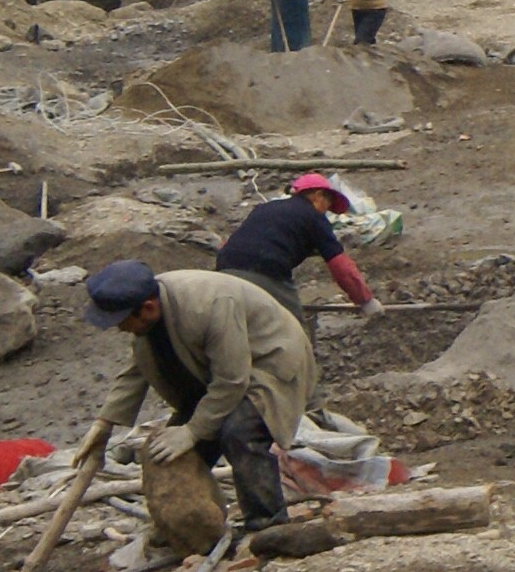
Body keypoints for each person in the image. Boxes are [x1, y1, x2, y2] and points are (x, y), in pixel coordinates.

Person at [75, 257, 314, 531]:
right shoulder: (150, 311)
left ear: (148, 308)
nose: (119, 328)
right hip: (220, 369)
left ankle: (267, 524)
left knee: (239, 432)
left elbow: (232, 380)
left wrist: (193, 430)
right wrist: (104, 424)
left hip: (270, 360)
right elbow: (137, 368)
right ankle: (195, 528)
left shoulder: (209, 305)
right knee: (165, 453)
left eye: (121, 321)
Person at [215, 173, 381, 325]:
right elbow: (340, 266)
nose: (327, 211)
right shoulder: (314, 217)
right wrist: (366, 301)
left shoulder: (265, 208)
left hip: (223, 271)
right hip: (264, 271)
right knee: (293, 331)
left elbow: (233, 242)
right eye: (328, 204)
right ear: (318, 196)